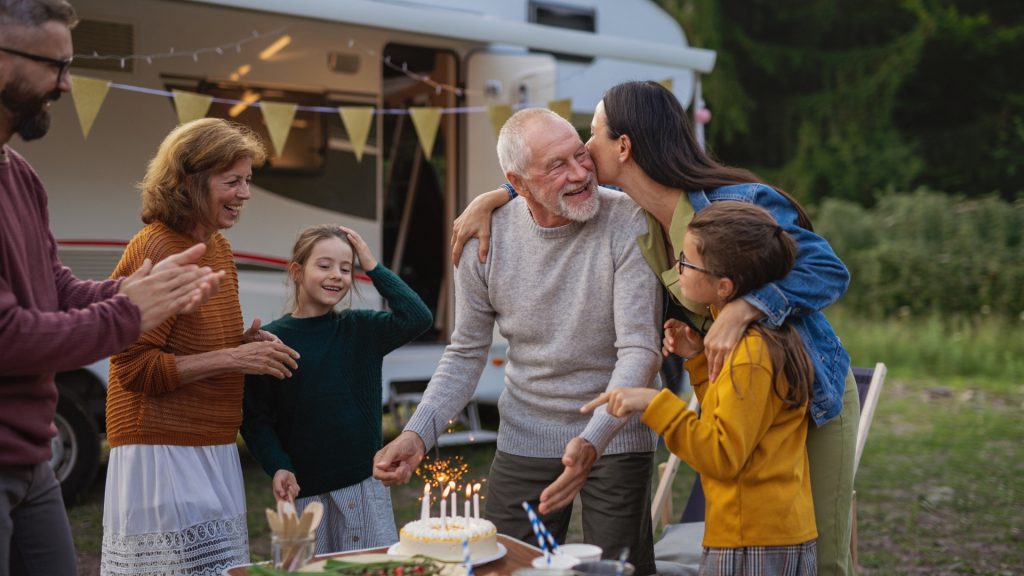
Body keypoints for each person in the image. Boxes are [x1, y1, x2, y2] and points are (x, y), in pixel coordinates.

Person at [452, 80, 859, 575]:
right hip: (738, 398)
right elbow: (542, 179)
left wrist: (744, 307)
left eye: (592, 137)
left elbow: (828, 270)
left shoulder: (732, 203)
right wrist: (495, 197)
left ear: (623, 146)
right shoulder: (642, 222)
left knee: (822, 559)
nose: (583, 150)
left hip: (806, 393)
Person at [373, 107, 663, 575]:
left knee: (618, 569)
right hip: (527, 430)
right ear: (519, 182)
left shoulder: (628, 221)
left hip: (614, 434)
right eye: (557, 165)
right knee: (501, 565)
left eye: (579, 155)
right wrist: (417, 432)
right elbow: (466, 352)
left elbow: (640, 351)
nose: (580, 174)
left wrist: (592, 440)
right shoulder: (483, 240)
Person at [1, 2, 223, 574]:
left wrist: (131, 289)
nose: (68, 85)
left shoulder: (19, 175)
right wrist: (128, 314)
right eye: (55, 66)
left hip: (32, 459)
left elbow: (51, 285)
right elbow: (8, 334)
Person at [100, 118, 302, 576]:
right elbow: (135, 368)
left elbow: (192, 340)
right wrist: (234, 358)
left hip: (212, 446)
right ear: (190, 182)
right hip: (161, 450)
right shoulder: (155, 247)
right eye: (232, 181)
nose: (245, 194)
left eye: (248, 180)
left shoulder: (218, 248)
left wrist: (243, 343)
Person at [584, 201, 818, 576]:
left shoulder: (751, 354)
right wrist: (697, 360)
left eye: (686, 263)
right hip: (763, 532)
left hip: (752, 541)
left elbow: (721, 455)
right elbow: (731, 422)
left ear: (723, 286)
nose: (677, 268)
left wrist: (655, 403)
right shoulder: (754, 339)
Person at [241, 224, 432, 553]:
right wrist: (278, 465)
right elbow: (256, 419)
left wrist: (373, 267)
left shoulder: (362, 329)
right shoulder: (273, 341)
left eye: (347, 268)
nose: (337, 276)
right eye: (325, 265)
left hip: (363, 489)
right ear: (297, 271)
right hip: (304, 497)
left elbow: (418, 317)